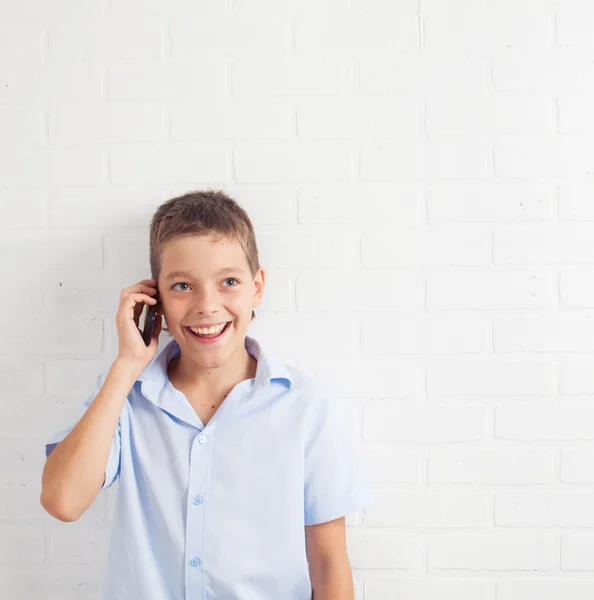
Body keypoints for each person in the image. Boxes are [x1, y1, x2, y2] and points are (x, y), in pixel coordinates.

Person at [41, 189, 374, 599]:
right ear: (155, 298)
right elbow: (63, 501)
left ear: (257, 288)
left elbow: (329, 566)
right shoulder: (124, 397)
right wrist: (128, 364)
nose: (207, 305)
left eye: (228, 282)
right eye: (182, 285)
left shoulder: (306, 406)